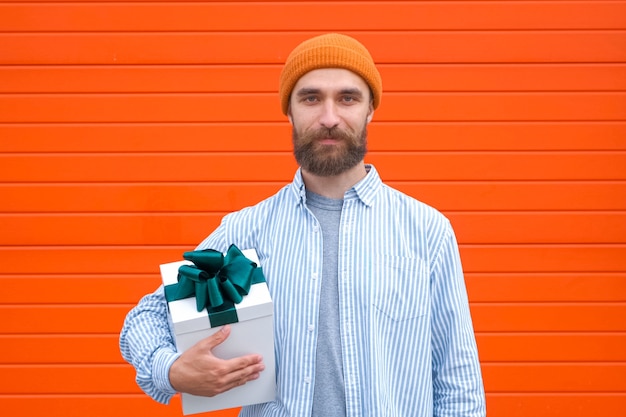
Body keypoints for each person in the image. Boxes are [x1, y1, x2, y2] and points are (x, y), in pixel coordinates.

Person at [120, 33, 486, 417]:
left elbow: (457, 384)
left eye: (348, 98)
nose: (329, 118)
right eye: (311, 98)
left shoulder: (427, 232)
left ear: (370, 110)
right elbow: (144, 319)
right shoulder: (248, 230)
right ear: (289, 112)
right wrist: (173, 370)